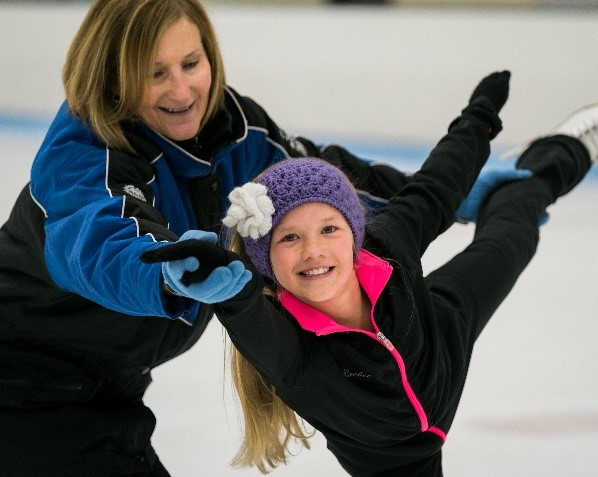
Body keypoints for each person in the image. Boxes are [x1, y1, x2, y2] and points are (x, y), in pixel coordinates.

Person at [141, 70, 598, 475]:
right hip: (399, 461)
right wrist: (223, 286)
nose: (313, 251)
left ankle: (562, 152)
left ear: (355, 233)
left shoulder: (384, 249)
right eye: (289, 238)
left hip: (437, 331)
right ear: (266, 264)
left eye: (329, 229)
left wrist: (477, 121)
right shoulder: (292, 353)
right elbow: (242, 306)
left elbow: (433, 188)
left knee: (512, 235)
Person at [0, 0, 418, 475]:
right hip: (22, 386)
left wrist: (444, 192)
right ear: (113, 79)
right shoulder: (81, 157)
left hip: (107, 390)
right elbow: (102, 239)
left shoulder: (236, 133)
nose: (181, 89)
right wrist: (166, 273)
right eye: (154, 73)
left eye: (191, 63)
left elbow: (323, 185)